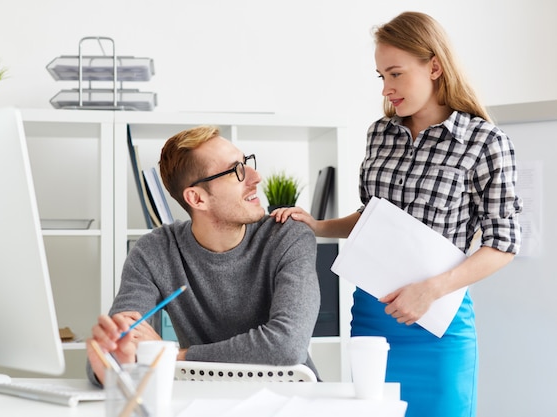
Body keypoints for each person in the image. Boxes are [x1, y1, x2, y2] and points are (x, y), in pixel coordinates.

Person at [272, 11, 522, 417]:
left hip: (437, 323)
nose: (387, 89)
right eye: (380, 77)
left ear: (435, 66)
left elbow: (503, 243)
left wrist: (432, 289)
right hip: (373, 321)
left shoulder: (485, 141)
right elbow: (373, 218)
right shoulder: (379, 134)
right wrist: (317, 226)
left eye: (396, 74)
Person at [86, 125, 321, 386]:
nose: (256, 177)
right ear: (197, 199)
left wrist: (172, 355)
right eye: (236, 171)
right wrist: (111, 360)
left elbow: (287, 346)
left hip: (294, 400)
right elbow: (120, 347)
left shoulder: (288, 236)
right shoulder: (154, 251)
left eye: (246, 163)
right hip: (205, 401)